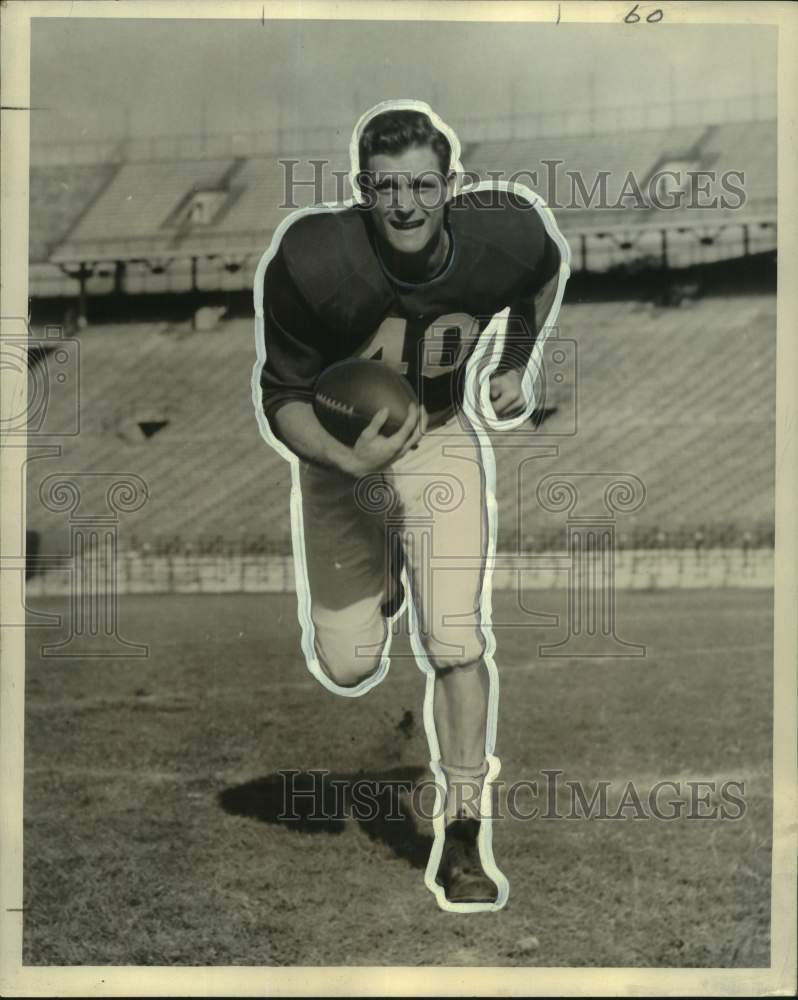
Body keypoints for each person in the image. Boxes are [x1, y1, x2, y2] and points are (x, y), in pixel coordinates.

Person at [253, 100, 569, 911]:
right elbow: (283, 394)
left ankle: (463, 831)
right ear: (362, 189)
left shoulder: (504, 233)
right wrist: (344, 458)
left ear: (450, 186)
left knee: (457, 640)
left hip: (434, 435)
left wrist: (516, 363)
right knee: (351, 663)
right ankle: (388, 545)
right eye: (386, 187)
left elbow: (544, 268)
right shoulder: (313, 258)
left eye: (423, 185)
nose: (405, 204)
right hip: (338, 456)